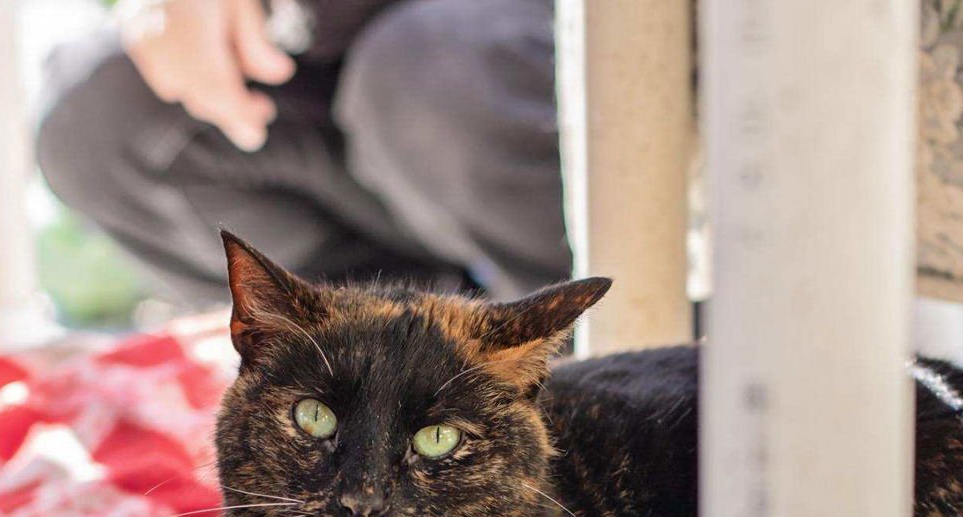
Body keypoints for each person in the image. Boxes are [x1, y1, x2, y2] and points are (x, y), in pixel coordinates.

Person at [36, 0, 569, 308]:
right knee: (98, 116)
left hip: (550, 52)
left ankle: (580, 366)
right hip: (340, 64)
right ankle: (380, 360)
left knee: (430, 74)